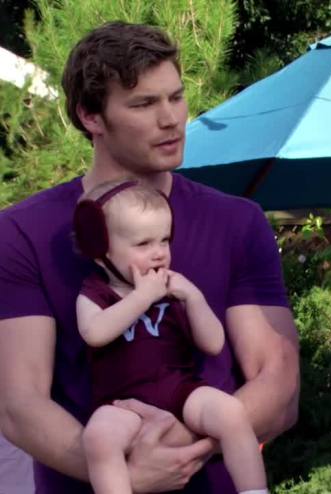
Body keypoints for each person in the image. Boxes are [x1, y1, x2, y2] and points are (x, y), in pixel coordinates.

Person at [0, 22, 299, 493]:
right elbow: (19, 404)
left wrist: (174, 447)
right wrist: (124, 474)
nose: (171, 119)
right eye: (144, 104)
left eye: (176, 98)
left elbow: (277, 381)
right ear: (91, 116)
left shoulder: (237, 222)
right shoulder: (23, 233)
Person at [74, 180, 268, 494]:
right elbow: (94, 333)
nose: (158, 254)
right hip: (122, 403)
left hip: (179, 389)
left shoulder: (173, 290)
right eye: (143, 244)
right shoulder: (96, 293)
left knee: (231, 412)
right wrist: (142, 297)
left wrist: (194, 298)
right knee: (98, 438)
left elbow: (213, 343)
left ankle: (254, 490)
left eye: (164, 240)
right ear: (101, 252)